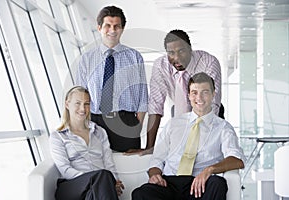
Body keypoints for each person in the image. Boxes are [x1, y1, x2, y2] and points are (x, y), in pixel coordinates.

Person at [132, 72, 245, 200]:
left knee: (218, 184)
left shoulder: (223, 127)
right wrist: (155, 175)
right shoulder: (173, 124)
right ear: (189, 96)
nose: (199, 98)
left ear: (214, 94)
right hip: (170, 183)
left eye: (205, 92)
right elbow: (156, 160)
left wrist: (209, 170)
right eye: (194, 93)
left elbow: (237, 160)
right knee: (140, 193)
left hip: (200, 184)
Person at [126, 29, 222, 155]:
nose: (177, 58)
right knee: (177, 152)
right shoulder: (161, 66)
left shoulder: (208, 62)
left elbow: (212, 104)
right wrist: (150, 147)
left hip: (207, 112)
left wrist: (202, 142)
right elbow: (155, 105)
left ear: (190, 48)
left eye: (181, 51)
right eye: (171, 53)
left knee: (205, 154)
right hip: (178, 111)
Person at [76, 5, 148, 152]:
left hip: (125, 120)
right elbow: (80, 95)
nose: (112, 30)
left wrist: (136, 126)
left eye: (117, 26)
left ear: (122, 28)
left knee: (128, 168)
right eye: (108, 25)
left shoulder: (134, 57)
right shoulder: (87, 59)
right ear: (99, 28)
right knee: (98, 166)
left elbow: (142, 96)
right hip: (95, 122)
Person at [49, 86, 124, 200]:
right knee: (102, 176)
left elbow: (109, 163)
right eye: (77, 103)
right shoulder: (58, 136)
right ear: (67, 104)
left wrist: (114, 180)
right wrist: (94, 179)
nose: (83, 109)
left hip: (98, 186)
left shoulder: (100, 132)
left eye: (87, 104)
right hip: (71, 186)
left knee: (95, 192)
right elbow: (65, 170)